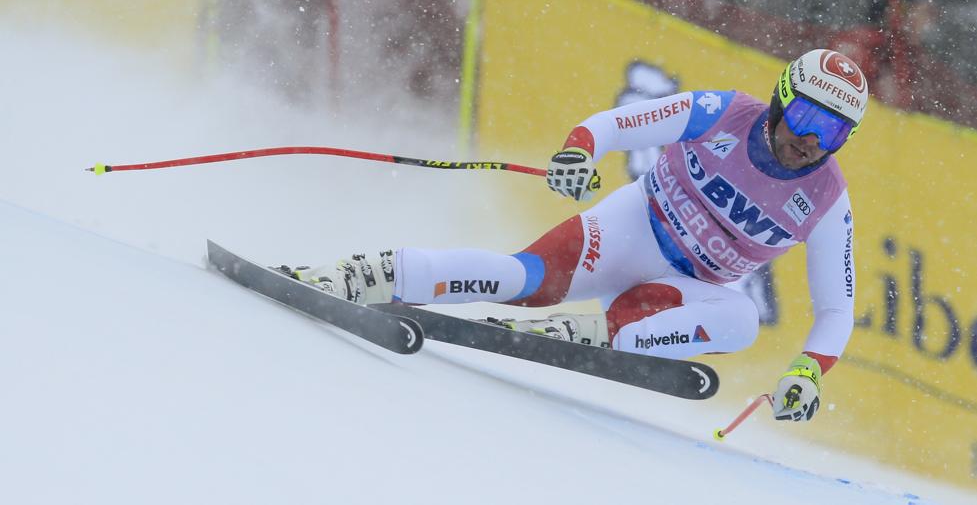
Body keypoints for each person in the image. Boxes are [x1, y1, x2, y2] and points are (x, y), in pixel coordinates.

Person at [283, 49, 868, 423]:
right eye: (808, 118)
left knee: (741, 322)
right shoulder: (723, 113)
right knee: (521, 280)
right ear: (782, 100)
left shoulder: (826, 198)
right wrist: (578, 151)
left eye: (835, 131)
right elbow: (614, 126)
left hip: (686, 290)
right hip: (635, 227)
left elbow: (836, 309)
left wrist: (809, 370)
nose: (813, 141)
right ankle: (362, 274)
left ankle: (591, 332)